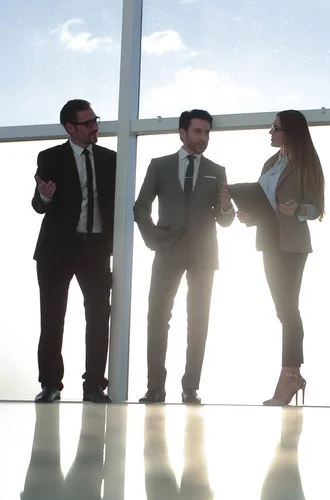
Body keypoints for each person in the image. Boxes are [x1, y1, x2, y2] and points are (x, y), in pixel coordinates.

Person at [134, 109, 234, 405]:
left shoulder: (217, 170)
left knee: (198, 321)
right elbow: (141, 207)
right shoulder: (160, 166)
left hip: (203, 255)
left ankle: (191, 387)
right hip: (167, 250)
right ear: (183, 133)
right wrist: (153, 239)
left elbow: (225, 220)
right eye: (198, 132)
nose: (203, 138)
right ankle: (155, 388)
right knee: (157, 318)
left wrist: (228, 207)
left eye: (207, 133)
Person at [237, 109, 325, 406]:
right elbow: (263, 204)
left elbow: (317, 208)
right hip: (268, 241)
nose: (270, 132)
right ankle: (292, 375)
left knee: (288, 309)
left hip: (293, 245)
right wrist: (247, 214)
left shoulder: (306, 164)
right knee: (282, 310)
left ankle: (289, 375)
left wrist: (298, 209)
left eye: (274, 127)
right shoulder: (270, 163)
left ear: (289, 131)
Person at [32, 99, 115, 404]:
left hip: (94, 248)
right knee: (52, 318)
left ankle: (94, 386)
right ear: (70, 128)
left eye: (96, 120)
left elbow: (116, 205)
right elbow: (39, 204)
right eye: (88, 123)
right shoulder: (50, 157)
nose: (95, 127)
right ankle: (51, 385)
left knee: (98, 316)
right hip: (56, 251)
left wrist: (115, 247)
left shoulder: (111, 159)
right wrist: (44, 196)